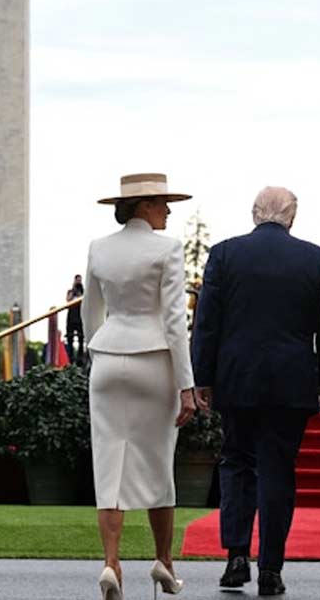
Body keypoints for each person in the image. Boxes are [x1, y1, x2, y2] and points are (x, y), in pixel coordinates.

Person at [191, 187, 320, 596]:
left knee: (236, 462)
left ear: (255, 214)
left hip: (237, 377)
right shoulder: (315, 259)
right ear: (292, 216)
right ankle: (271, 567)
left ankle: (236, 554)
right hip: (291, 379)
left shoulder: (224, 254)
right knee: (278, 471)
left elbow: (207, 324)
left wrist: (203, 377)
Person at [83, 173, 198, 600]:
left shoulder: (99, 248)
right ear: (144, 206)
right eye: (162, 203)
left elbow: (90, 313)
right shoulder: (167, 248)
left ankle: (111, 563)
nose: (167, 210)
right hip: (154, 361)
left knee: (108, 467)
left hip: (109, 358)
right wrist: (186, 385)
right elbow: (174, 321)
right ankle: (163, 562)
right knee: (157, 464)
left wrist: (98, 355)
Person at [67, 275, 85, 364]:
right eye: (77, 280)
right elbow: (68, 300)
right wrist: (74, 289)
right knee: (70, 338)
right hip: (71, 316)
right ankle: (70, 358)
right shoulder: (71, 291)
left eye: (79, 280)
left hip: (80, 316)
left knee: (81, 338)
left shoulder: (83, 291)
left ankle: (80, 358)